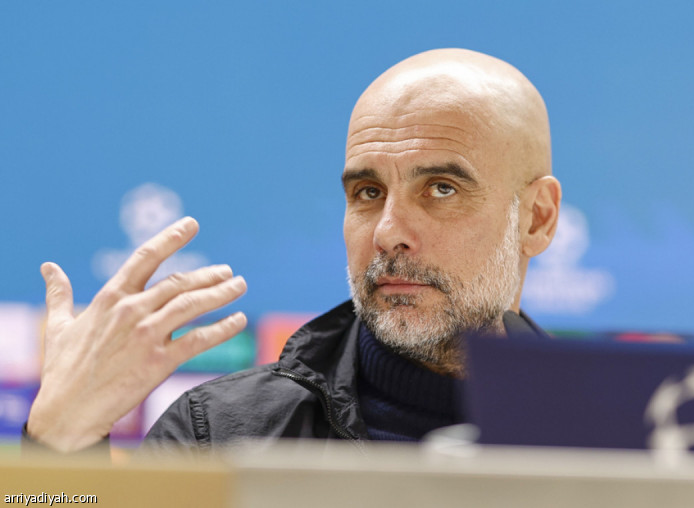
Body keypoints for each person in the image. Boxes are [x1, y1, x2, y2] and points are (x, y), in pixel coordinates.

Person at [25, 48, 561, 453]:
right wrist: (58, 447)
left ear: (536, 219)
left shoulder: (609, 436)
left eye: (441, 189)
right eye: (368, 193)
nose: (387, 232)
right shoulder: (218, 437)